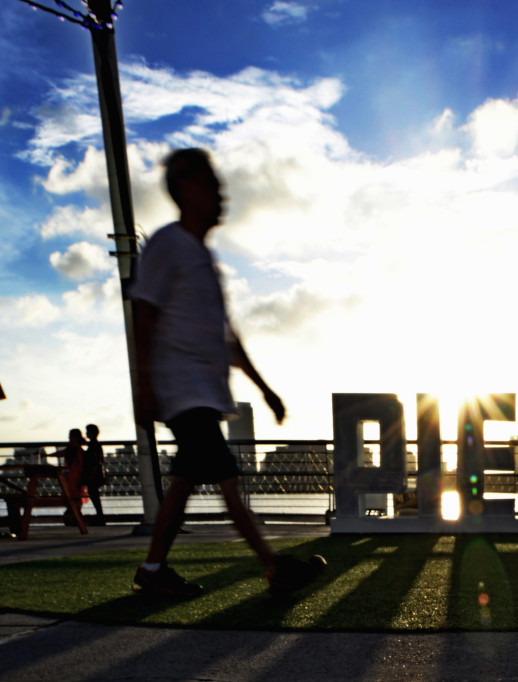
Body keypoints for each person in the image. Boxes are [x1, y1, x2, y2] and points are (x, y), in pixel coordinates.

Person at [130, 148, 324, 598]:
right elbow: (144, 314)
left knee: (183, 484)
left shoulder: (205, 262)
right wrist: (144, 388)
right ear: (186, 190)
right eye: (211, 185)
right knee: (228, 480)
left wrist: (266, 390)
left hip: (203, 393)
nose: (222, 194)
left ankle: (153, 569)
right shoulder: (167, 245)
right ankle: (275, 568)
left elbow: (230, 341)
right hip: (182, 391)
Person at [57, 428, 87, 524]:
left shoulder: (75, 449)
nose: (69, 437)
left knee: (72, 496)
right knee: (74, 496)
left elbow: (80, 463)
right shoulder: (75, 449)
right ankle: (76, 516)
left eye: (70, 436)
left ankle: (74, 516)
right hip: (73, 476)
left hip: (74, 476)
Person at [82, 424, 106, 525]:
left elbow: (95, 461)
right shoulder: (95, 444)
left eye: (87, 431)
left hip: (93, 474)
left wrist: (91, 474)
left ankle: (100, 517)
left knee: (94, 495)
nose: (86, 433)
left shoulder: (93, 445)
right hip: (96, 474)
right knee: (94, 495)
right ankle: (100, 517)